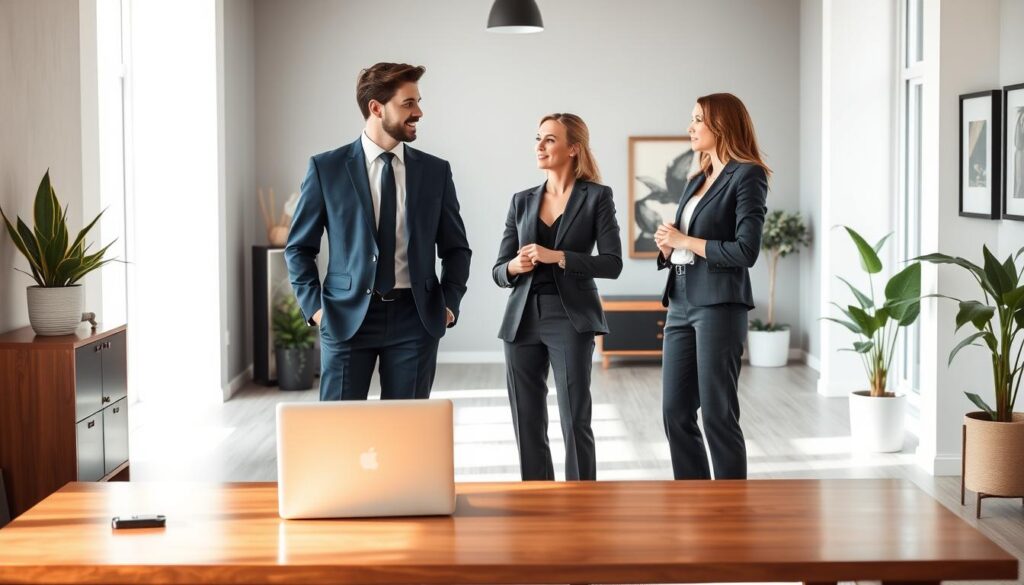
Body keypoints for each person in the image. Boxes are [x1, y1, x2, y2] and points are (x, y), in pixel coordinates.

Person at [285, 62, 471, 401]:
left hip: (415, 319)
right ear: (376, 107)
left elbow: (456, 248)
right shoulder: (326, 169)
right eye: (409, 103)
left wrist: (449, 303)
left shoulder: (435, 172)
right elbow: (299, 248)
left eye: (418, 101)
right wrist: (316, 309)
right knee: (341, 432)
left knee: (406, 434)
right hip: (345, 317)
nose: (419, 112)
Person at [492, 113, 622, 481]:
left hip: (571, 317)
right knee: (527, 420)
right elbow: (498, 270)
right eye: (538, 138)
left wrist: (559, 256)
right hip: (521, 320)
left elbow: (612, 263)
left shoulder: (597, 196)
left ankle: (582, 500)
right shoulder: (521, 201)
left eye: (549, 139)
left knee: (574, 417)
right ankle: (537, 497)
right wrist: (514, 266)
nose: (539, 145)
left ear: (573, 148)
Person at [654, 93, 769, 480]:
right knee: (674, 411)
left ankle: (731, 507)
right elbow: (686, 243)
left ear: (721, 124)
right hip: (681, 301)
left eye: (698, 119)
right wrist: (670, 246)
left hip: (719, 306)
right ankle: (695, 496)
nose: (690, 126)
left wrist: (686, 242)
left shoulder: (747, 174)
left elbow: (746, 250)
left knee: (718, 413)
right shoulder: (697, 179)